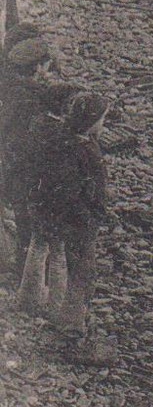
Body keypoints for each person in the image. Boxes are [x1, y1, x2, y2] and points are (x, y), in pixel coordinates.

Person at [20, 91, 114, 365]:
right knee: (82, 275)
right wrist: (91, 217)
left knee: (67, 266)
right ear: (92, 122)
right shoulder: (82, 149)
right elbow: (74, 193)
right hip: (78, 224)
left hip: (65, 218)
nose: (103, 125)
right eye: (103, 119)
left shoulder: (60, 140)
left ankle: (53, 315)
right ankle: (72, 334)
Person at [2, 35, 75, 280]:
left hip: (10, 163)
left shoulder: (11, 88)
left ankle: (18, 265)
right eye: (46, 66)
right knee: (28, 220)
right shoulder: (33, 99)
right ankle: (26, 274)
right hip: (24, 167)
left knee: (19, 213)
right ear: (37, 67)